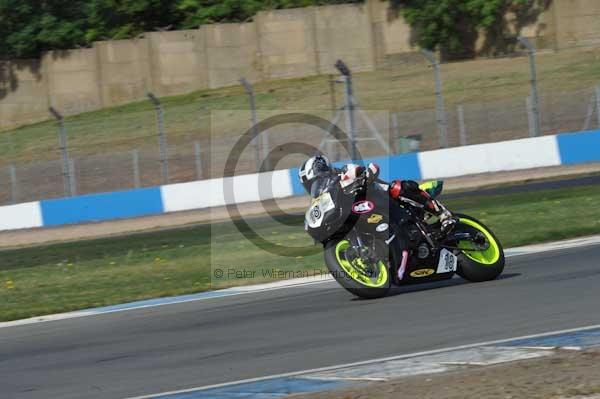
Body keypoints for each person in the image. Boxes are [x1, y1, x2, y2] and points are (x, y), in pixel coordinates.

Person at [298, 155, 456, 232]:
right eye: (310, 185)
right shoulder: (324, 198)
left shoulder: (341, 174)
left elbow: (363, 169)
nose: (314, 185)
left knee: (398, 187)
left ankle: (443, 214)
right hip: (364, 214)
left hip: (383, 198)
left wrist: (363, 175)